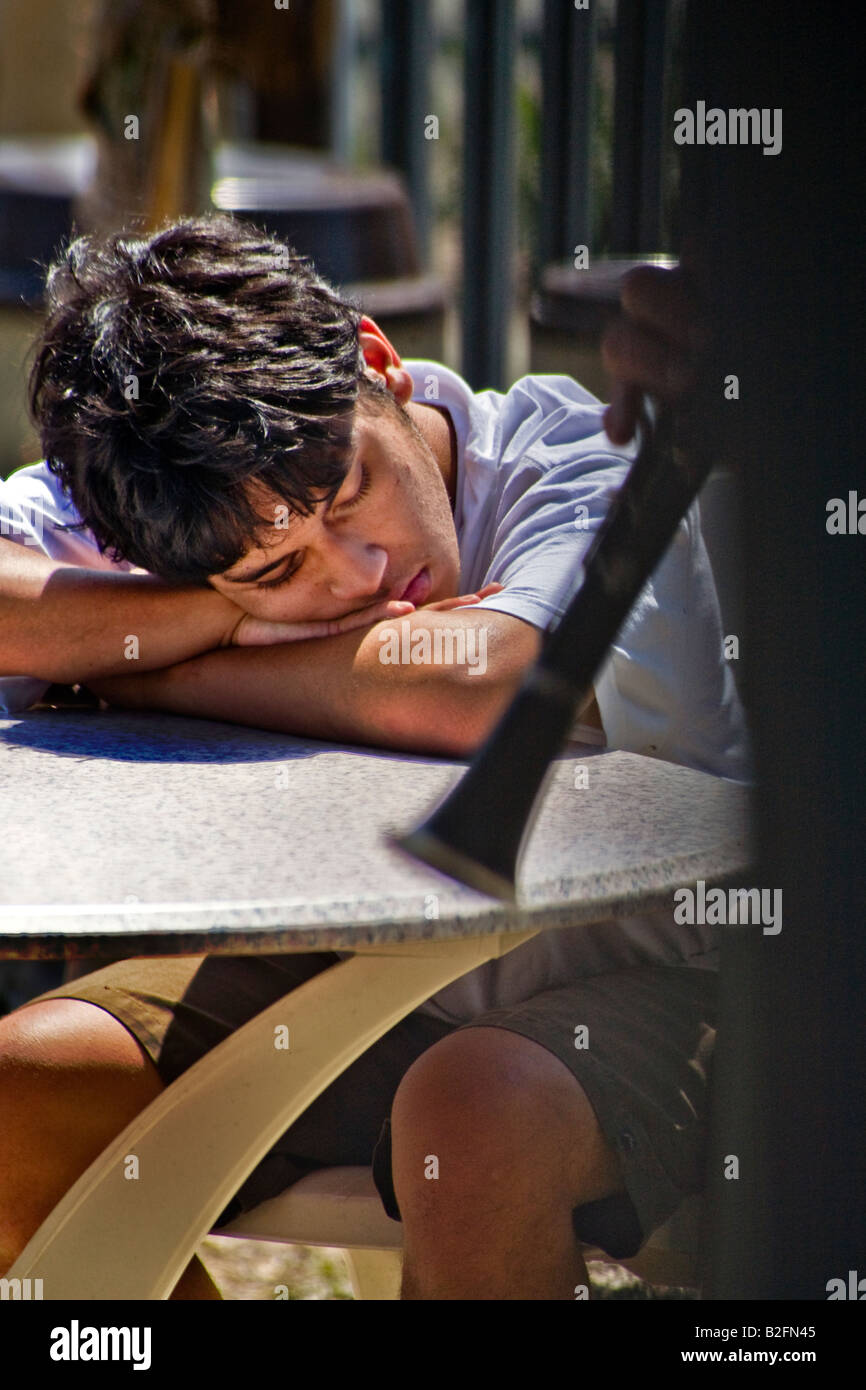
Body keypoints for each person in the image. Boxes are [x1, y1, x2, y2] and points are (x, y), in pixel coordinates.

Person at [0, 216, 748, 1299]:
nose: (356, 573)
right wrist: (200, 617)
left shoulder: (572, 456)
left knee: (472, 1110)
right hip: (371, 980)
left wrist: (141, 663)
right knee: (21, 1092)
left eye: (347, 490)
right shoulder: (174, 500)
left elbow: (489, 684)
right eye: (273, 569)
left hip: (683, 973)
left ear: (378, 362)